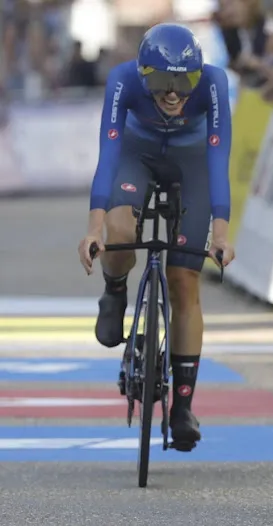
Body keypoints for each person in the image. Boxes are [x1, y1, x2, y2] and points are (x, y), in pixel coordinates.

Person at [77, 23, 236, 450]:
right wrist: (95, 226)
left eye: (183, 82)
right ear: (142, 74)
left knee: (185, 280)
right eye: (161, 82)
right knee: (121, 230)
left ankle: (183, 405)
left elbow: (219, 160)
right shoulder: (122, 79)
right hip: (136, 154)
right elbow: (108, 155)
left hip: (193, 160)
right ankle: (115, 291)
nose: (172, 93)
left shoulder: (215, 82)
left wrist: (220, 232)